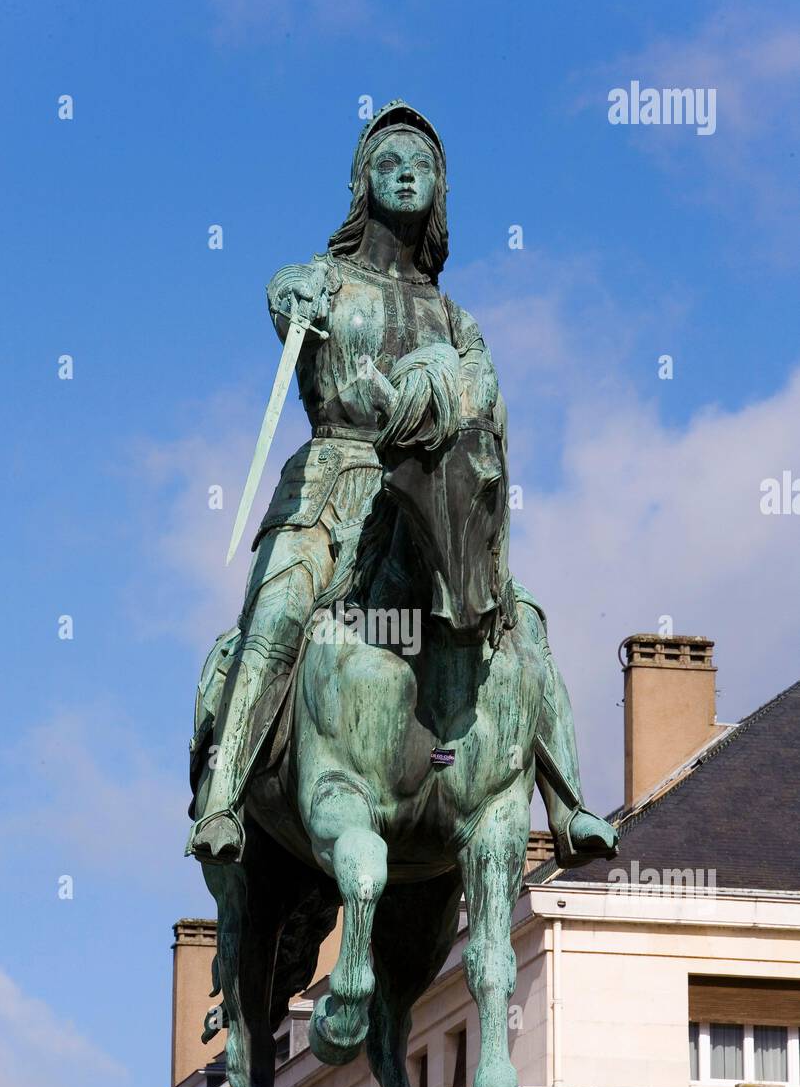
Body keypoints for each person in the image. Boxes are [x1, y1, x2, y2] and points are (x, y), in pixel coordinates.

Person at [186, 100, 615, 870]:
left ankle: (571, 801)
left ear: (441, 189)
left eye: (422, 163)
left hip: (427, 492)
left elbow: (484, 402)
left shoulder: (456, 319)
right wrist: (292, 300)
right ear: (362, 184)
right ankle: (223, 797)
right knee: (280, 609)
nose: (406, 172)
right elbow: (283, 292)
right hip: (329, 487)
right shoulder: (322, 280)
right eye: (388, 161)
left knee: (524, 621)